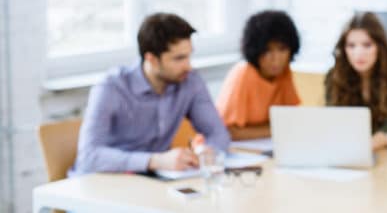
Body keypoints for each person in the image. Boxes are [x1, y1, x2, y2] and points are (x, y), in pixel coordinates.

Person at [71, 13, 230, 175]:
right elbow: (89, 157)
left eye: (189, 56)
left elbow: (218, 133)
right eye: (179, 58)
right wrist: (154, 161)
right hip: (102, 179)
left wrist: (207, 152)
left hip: (151, 180)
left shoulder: (190, 81)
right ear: (151, 59)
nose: (188, 66)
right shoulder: (111, 87)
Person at [325, 12, 387, 150]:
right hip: (346, 150)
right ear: (344, 49)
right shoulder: (333, 75)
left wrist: (362, 147)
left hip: (382, 151)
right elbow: (332, 123)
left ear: (379, 47)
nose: (358, 53)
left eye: (367, 45)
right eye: (351, 45)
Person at [216, 10, 302, 140]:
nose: (276, 59)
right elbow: (228, 131)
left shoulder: (284, 73)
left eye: (282, 49)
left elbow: (291, 118)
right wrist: (275, 129)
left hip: (264, 145)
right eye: (267, 50)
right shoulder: (243, 74)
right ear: (255, 50)